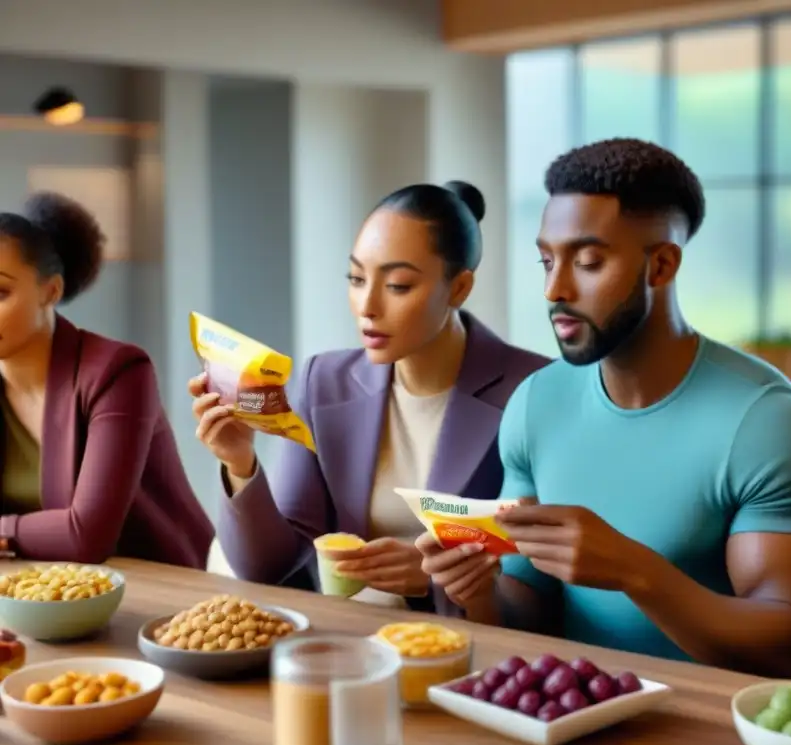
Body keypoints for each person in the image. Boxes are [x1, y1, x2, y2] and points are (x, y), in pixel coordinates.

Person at [417, 139, 791, 676]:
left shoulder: (769, 422)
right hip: (567, 719)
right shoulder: (534, 404)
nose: (555, 289)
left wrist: (634, 571)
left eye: (588, 261)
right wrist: (479, 591)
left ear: (661, 266)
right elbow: (530, 609)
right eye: (547, 260)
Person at [192, 181, 549, 612]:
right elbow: (271, 568)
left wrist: (435, 578)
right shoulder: (321, 381)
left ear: (458, 289)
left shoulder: (534, 391)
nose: (367, 306)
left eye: (397, 285)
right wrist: (238, 462)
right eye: (357, 279)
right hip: (349, 642)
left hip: (471, 648)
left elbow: (540, 591)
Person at [0, 192, 213, 567]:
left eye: (1, 292)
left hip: (162, 596)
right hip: (39, 592)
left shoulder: (118, 372)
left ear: (51, 291)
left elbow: (87, 536)